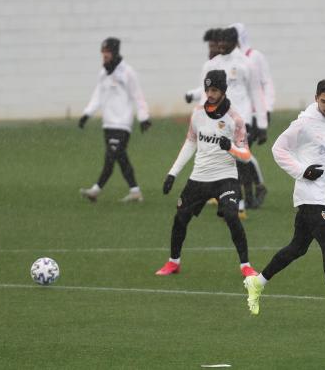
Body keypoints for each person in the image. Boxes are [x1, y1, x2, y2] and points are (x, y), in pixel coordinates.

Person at [243, 79, 325, 326]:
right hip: (309, 197)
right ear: (316, 98)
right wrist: (302, 170)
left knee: (297, 248)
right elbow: (278, 149)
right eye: (323, 101)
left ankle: (257, 281)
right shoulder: (303, 124)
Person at [155, 70, 258, 278]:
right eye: (207, 89)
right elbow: (190, 142)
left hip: (225, 177)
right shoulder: (198, 113)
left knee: (231, 216)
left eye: (214, 90)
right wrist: (172, 173)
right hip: (199, 177)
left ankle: (246, 266)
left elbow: (246, 156)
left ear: (223, 91)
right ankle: (173, 263)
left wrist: (230, 147)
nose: (210, 94)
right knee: (180, 219)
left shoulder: (235, 119)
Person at [199, 27, 268, 217]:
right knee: (225, 160)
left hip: (242, 119)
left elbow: (256, 93)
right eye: (218, 41)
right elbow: (203, 96)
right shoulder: (211, 65)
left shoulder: (247, 64)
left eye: (224, 41)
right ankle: (237, 200)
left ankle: (240, 204)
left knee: (237, 158)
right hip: (218, 120)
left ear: (234, 42)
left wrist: (261, 124)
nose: (220, 45)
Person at [78, 37, 151, 202]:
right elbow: (97, 95)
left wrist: (144, 117)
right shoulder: (103, 73)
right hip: (108, 123)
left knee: (112, 156)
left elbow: (138, 96)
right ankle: (135, 191)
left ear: (115, 52)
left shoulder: (127, 72)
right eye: (102, 53)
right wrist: (86, 114)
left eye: (107, 53)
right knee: (117, 157)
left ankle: (96, 189)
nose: (104, 56)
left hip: (122, 123)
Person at [230, 22, 275, 208]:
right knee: (240, 155)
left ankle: (254, 190)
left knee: (242, 153)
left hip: (256, 115)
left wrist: (267, 109)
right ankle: (250, 195)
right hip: (243, 115)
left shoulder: (255, 57)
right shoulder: (234, 61)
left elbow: (266, 83)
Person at [185, 28, 223, 104]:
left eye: (213, 46)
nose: (210, 50)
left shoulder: (226, 64)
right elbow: (204, 88)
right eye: (209, 46)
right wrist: (192, 95)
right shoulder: (208, 65)